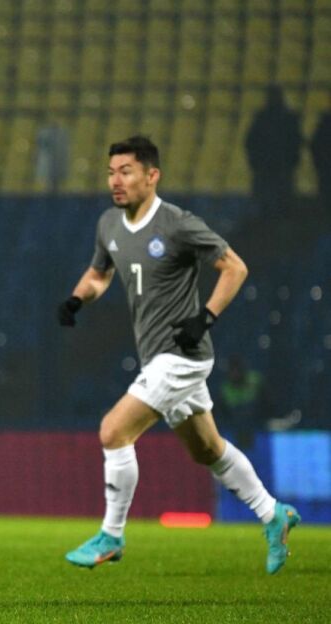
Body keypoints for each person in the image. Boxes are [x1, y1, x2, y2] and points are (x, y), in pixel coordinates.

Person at [57, 136, 299, 575]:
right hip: (156, 357)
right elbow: (99, 274)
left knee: (113, 431)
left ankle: (111, 535)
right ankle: (273, 513)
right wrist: (77, 300)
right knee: (208, 450)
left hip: (181, 355)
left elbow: (235, 267)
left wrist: (205, 318)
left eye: (126, 171)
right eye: (111, 172)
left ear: (152, 176)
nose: (115, 181)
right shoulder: (109, 224)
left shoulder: (177, 224)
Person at [244, 85, 301, 216]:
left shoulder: (284, 118)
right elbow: (251, 142)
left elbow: (295, 142)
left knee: (278, 202)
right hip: (271, 167)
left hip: (277, 167)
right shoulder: (267, 118)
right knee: (270, 202)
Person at [309, 97, 331, 215]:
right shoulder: (325, 123)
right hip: (326, 168)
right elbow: (316, 145)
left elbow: (315, 145)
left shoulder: (324, 122)